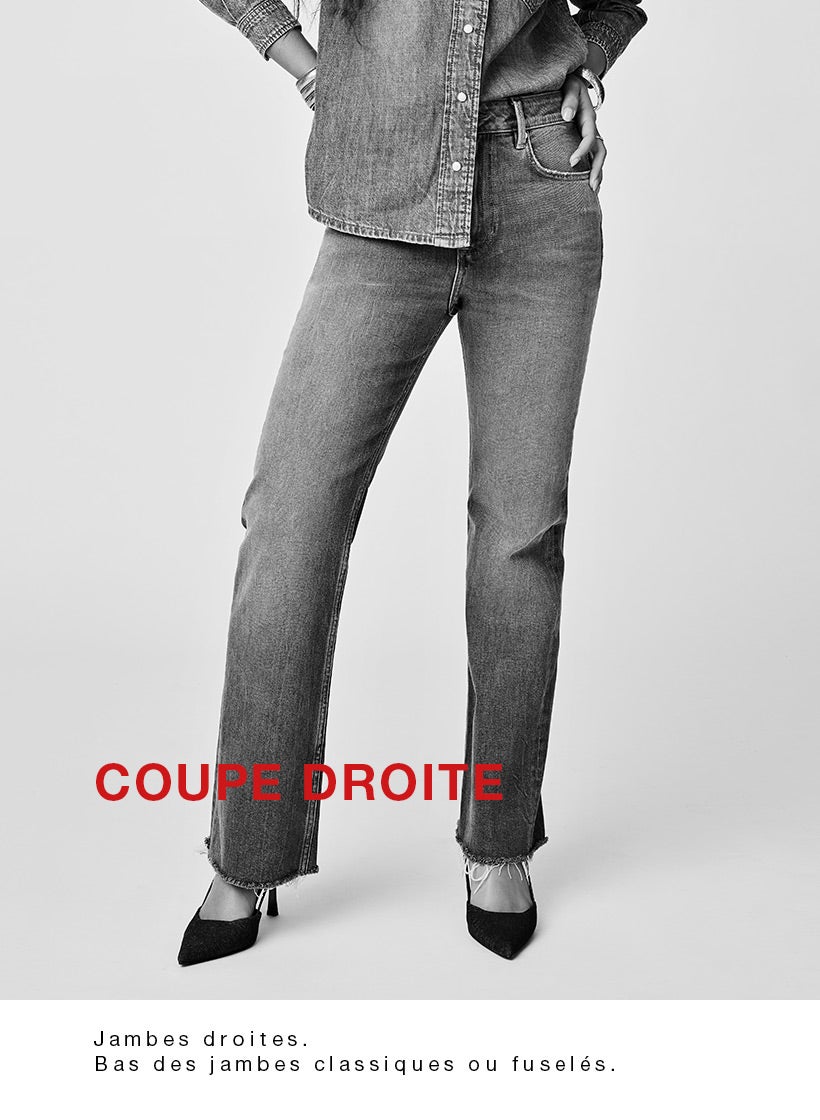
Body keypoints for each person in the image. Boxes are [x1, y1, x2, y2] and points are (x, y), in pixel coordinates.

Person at [177, 0, 648, 966]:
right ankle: (249, 851)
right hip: (380, 197)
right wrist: (308, 67)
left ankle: (500, 841)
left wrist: (590, 57)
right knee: (290, 522)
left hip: (539, 180)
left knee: (520, 535)